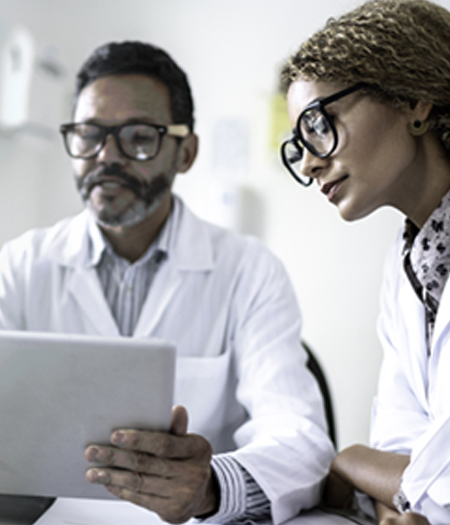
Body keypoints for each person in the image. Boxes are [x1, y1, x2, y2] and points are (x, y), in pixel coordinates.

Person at [0, 41, 335, 524]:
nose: (106, 156)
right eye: (88, 135)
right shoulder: (19, 267)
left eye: (138, 136)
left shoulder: (250, 271)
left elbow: (301, 439)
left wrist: (211, 487)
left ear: (186, 152)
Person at [279, 0, 450, 524]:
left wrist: (349, 461)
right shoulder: (409, 266)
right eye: (299, 143)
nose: (309, 163)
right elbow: (402, 445)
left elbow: (438, 481)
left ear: (414, 100)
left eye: (320, 123)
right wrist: (395, 497)